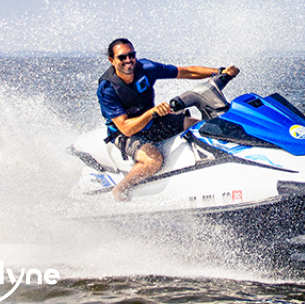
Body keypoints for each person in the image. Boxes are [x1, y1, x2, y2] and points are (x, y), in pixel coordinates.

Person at [97, 38, 239, 201]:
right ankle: (120, 189)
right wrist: (151, 113)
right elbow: (126, 128)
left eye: (132, 55)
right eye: (122, 57)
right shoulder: (108, 88)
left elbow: (186, 72)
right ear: (112, 60)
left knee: (199, 127)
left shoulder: (146, 68)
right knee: (153, 160)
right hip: (124, 134)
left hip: (151, 122)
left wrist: (220, 72)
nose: (129, 60)